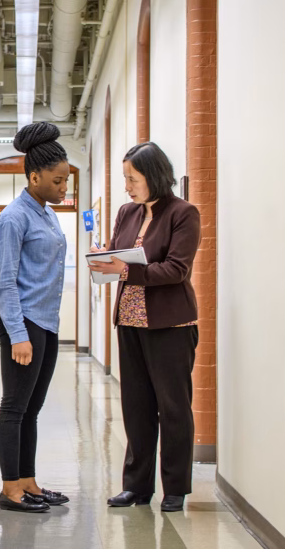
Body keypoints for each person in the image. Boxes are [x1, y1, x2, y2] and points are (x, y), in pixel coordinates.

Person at [88, 142, 201, 513]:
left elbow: (176, 269)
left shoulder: (184, 214)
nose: (127, 186)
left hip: (170, 324)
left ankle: (175, 487)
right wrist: (105, 258)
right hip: (130, 322)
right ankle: (136, 486)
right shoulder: (127, 213)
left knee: (173, 408)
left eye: (132, 178)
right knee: (136, 406)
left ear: (154, 175)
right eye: (125, 179)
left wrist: (124, 268)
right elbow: (118, 253)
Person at [0, 122, 71, 513]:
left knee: (32, 408)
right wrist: (18, 334)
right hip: (22, 323)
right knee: (14, 407)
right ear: (34, 177)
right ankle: (10, 491)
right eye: (57, 181)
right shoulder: (12, 218)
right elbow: (6, 284)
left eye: (67, 180)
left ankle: (28, 481)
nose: (64, 188)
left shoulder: (46, 212)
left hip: (47, 321)